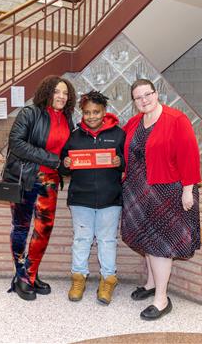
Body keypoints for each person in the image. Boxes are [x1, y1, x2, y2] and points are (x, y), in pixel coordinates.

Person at [121, 79, 201, 320]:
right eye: (138, 97)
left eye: (148, 94)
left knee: (160, 246)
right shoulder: (135, 122)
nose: (144, 100)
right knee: (146, 240)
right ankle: (150, 284)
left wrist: (188, 189)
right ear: (134, 102)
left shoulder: (176, 120)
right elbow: (120, 146)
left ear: (156, 94)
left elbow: (189, 155)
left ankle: (162, 299)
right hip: (138, 191)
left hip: (167, 191)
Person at [4, 75, 76, 301]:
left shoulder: (67, 118)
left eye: (65, 93)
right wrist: (52, 159)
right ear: (47, 92)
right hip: (25, 179)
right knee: (21, 227)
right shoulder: (30, 113)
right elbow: (16, 143)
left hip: (51, 182)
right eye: (57, 92)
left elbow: (67, 151)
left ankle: (29, 274)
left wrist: (68, 163)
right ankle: (22, 276)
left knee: (44, 229)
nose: (61, 97)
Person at [60, 90, 125, 305]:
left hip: (110, 198)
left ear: (104, 111)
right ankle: (78, 278)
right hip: (81, 199)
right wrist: (65, 165)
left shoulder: (118, 134)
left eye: (96, 112)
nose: (92, 116)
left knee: (107, 241)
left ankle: (108, 280)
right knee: (81, 239)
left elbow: (129, 162)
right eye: (87, 112)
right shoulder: (74, 136)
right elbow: (63, 165)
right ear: (82, 113)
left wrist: (120, 162)